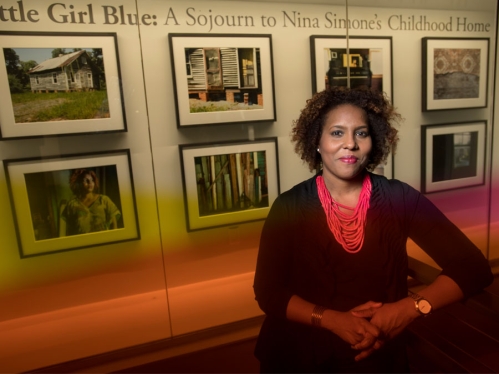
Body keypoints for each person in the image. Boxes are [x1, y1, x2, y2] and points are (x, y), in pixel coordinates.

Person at [253, 86, 493, 373]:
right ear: (317, 141)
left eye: (361, 133)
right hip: (300, 356)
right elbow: (268, 291)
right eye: (337, 132)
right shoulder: (289, 206)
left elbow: (473, 267)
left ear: (373, 141)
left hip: (378, 357)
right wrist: (332, 319)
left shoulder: (399, 198)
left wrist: (408, 309)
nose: (350, 144)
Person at [60, 169, 121, 236]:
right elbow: (69, 230)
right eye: (86, 180)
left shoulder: (104, 200)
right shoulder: (72, 204)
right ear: (79, 183)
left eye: (92, 180)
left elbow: (114, 225)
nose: (90, 183)